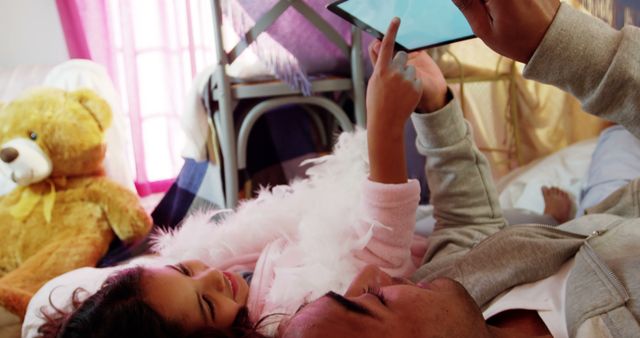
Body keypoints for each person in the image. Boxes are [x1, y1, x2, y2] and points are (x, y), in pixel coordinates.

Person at [32, 18, 429, 338]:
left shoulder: (214, 273)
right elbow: (379, 254)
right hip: (395, 237)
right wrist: (385, 130)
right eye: (205, 304)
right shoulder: (291, 317)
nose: (211, 277)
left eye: (183, 271)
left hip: (332, 220)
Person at [279, 1, 640, 337]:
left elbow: (467, 228)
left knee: (613, 141)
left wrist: (434, 108)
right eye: (370, 303)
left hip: (607, 214)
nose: (371, 275)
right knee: (618, 138)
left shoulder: (447, 297)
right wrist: (554, 41)